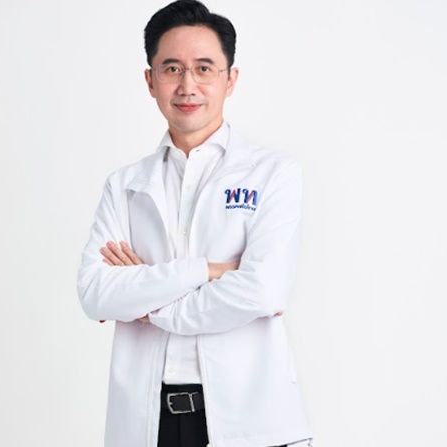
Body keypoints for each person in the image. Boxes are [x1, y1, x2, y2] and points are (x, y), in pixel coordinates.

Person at [77, 1, 313, 446]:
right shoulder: (125, 186)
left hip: (253, 422)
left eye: (204, 68)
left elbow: (263, 289)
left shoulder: (273, 174)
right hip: (148, 424)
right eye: (172, 69)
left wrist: (150, 306)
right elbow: (95, 293)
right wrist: (209, 271)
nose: (188, 85)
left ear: (230, 79)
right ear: (150, 80)